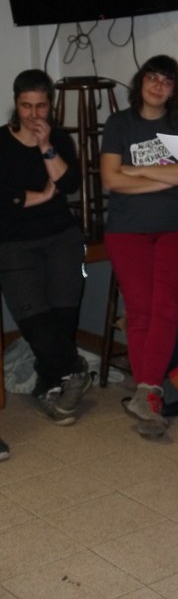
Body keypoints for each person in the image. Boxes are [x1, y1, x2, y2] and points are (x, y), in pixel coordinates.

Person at [100, 55, 178, 440]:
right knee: (141, 311)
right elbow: (111, 180)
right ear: (140, 81)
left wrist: (137, 169)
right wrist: (165, 178)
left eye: (167, 81)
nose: (158, 86)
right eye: (152, 78)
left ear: (174, 90)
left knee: (166, 309)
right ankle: (150, 395)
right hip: (127, 231)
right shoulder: (119, 124)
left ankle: (147, 393)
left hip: (176, 229)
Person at [0, 69, 90, 426]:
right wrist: (33, 197)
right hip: (14, 244)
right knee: (35, 323)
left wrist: (45, 147)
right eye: (26, 106)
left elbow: (68, 185)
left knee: (63, 321)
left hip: (61, 239)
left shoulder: (59, 140)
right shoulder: (1, 141)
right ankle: (75, 369)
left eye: (40, 106)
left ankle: (49, 389)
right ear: (16, 103)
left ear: (50, 105)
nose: (34, 114)